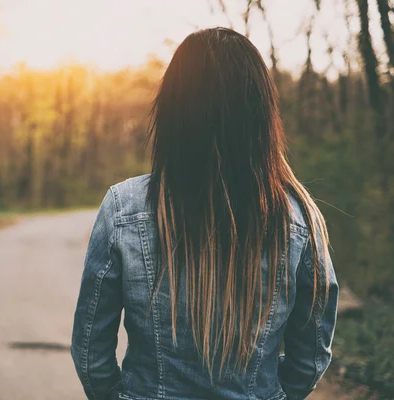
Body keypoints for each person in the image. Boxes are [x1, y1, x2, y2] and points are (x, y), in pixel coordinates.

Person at [70, 28, 338, 400]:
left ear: (173, 110)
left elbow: (90, 353)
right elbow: (309, 358)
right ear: (260, 114)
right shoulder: (298, 219)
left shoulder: (124, 207)